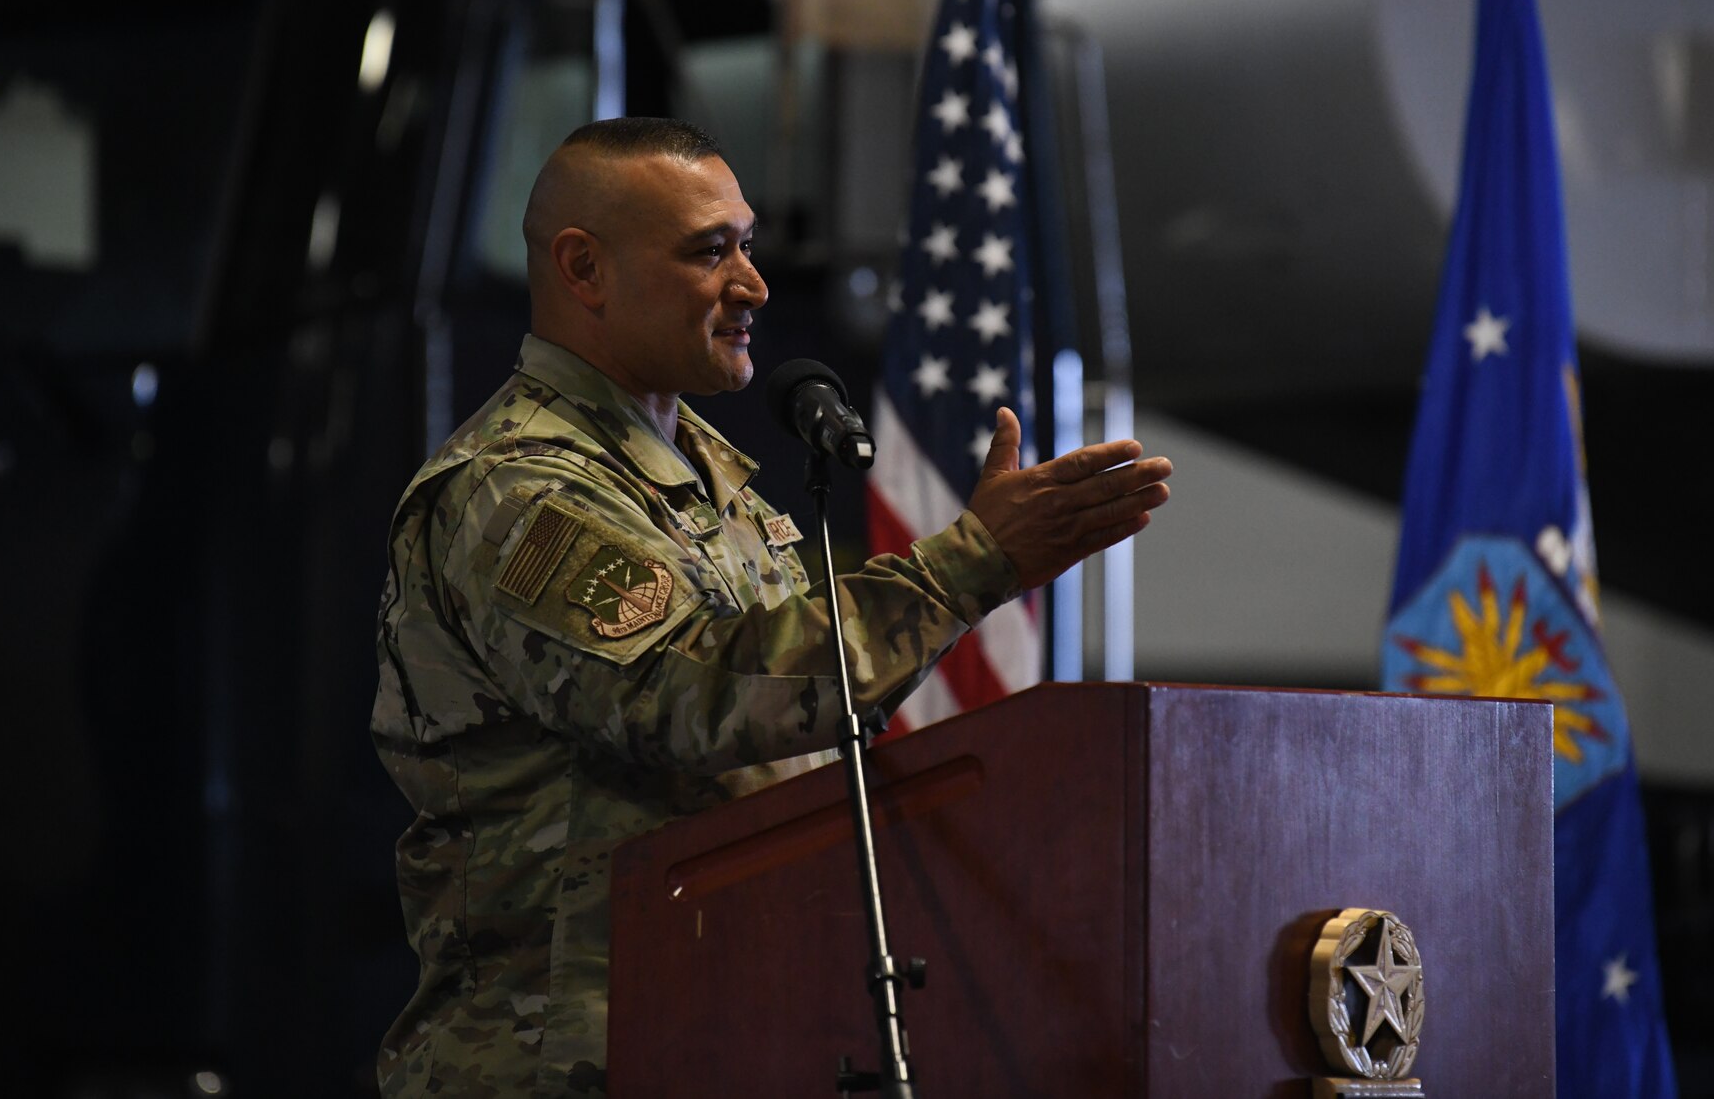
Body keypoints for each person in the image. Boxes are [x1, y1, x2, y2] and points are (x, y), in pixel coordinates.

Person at [372, 117, 1171, 1097]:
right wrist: (970, 566)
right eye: (709, 251)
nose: (750, 283)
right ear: (584, 268)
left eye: (746, 243)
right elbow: (689, 690)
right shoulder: (516, 493)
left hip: (733, 1024)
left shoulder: (709, 479)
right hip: (563, 1061)